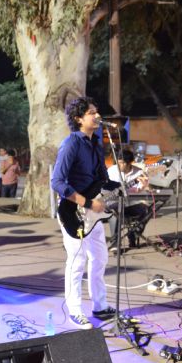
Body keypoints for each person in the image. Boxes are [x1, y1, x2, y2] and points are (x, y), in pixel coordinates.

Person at [51, 96, 117, 330]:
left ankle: (100, 305)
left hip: (93, 215)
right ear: (78, 118)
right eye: (91, 112)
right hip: (73, 211)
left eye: (97, 111)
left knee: (100, 258)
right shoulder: (71, 144)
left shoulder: (96, 144)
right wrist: (87, 202)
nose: (97, 116)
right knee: (77, 261)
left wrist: (130, 185)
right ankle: (75, 311)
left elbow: (103, 180)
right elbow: (57, 182)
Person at [106, 148, 153, 253]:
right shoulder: (111, 171)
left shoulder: (139, 172)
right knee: (115, 210)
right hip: (115, 204)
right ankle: (115, 243)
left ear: (129, 163)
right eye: (118, 163)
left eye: (122, 163)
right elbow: (105, 188)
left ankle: (133, 234)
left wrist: (144, 186)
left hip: (131, 204)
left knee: (148, 210)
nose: (119, 166)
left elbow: (141, 189)